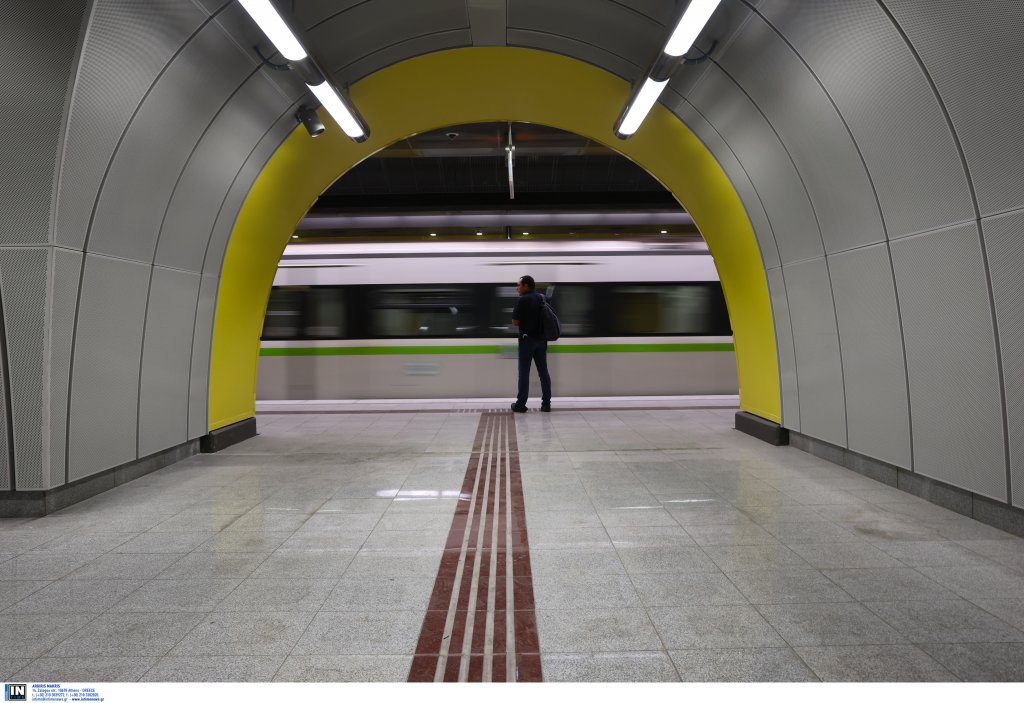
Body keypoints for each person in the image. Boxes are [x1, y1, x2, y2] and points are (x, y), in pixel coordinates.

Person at [510, 275, 552, 413]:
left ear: (526, 286)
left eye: (519, 285)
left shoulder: (522, 300)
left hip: (526, 341)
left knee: (524, 373)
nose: (517, 288)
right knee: (543, 372)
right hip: (542, 340)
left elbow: (515, 322)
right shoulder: (543, 298)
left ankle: (521, 404)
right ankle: (546, 404)